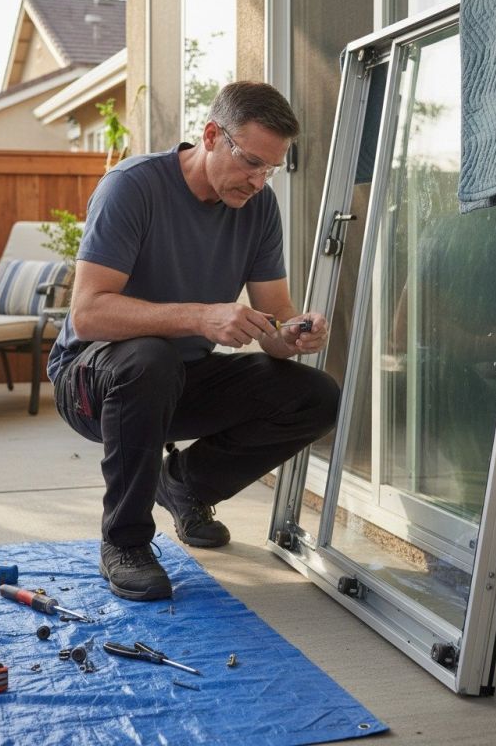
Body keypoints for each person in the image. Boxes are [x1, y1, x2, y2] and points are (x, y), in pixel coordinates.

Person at [47, 81, 340, 602]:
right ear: (211, 135)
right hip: (92, 381)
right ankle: (125, 542)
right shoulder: (132, 187)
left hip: (179, 377)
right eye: (251, 161)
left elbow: (274, 316)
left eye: (269, 168)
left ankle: (183, 484)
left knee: (316, 396)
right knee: (150, 357)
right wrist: (201, 317)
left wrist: (293, 333)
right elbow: (88, 314)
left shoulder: (259, 207)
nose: (257, 180)